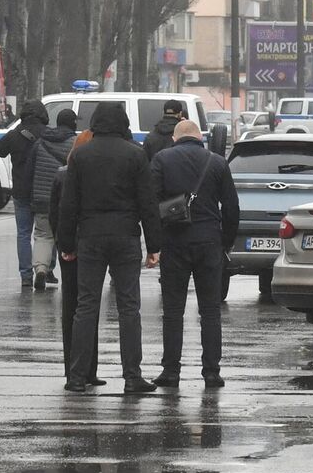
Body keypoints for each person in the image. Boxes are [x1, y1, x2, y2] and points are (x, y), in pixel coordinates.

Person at [58, 102, 163, 395]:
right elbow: (148, 202)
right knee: (129, 307)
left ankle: (77, 377)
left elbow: (69, 204)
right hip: (126, 236)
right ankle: (132, 376)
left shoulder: (80, 155)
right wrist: (154, 245)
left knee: (86, 306)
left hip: (90, 237)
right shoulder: (135, 154)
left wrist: (67, 244)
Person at [149, 117, 240, 389]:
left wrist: (155, 244)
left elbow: (150, 203)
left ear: (175, 138)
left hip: (174, 243)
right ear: (200, 138)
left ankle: (171, 371)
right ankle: (211, 371)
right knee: (210, 310)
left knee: (173, 311)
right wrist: (226, 242)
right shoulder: (217, 162)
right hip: (209, 242)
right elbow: (232, 207)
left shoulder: (162, 159)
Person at [48, 130, 104, 386]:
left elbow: (54, 214)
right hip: (90, 243)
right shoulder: (93, 174)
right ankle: (89, 369)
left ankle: (74, 369)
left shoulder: (62, 174)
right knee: (88, 306)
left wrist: (62, 242)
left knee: (73, 308)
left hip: (68, 247)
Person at [0, 102, 52, 288]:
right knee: (47, 233)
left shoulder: (15, 134)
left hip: (21, 191)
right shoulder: (48, 134)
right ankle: (46, 269)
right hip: (44, 192)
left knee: (23, 234)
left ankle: (26, 275)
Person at [25, 109, 79, 290]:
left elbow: (30, 170)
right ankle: (70, 276)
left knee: (42, 235)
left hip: (41, 198)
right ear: (73, 124)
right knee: (66, 235)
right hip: (65, 199)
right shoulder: (75, 144)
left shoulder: (41, 142)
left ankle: (40, 268)